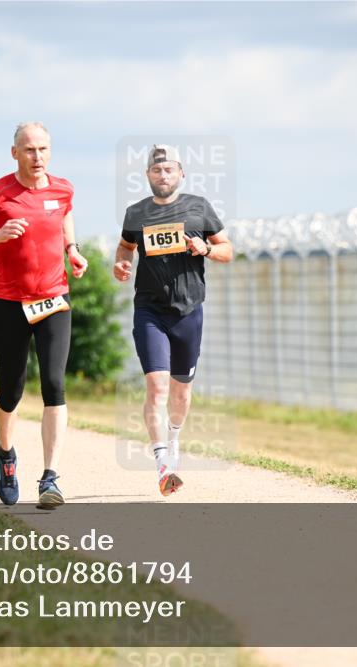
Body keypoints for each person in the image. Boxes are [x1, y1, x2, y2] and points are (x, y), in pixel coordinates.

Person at [0, 122, 88, 509]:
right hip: (9, 303)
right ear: (15, 153)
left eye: (43, 149)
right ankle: (7, 454)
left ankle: (50, 479)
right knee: (11, 391)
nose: (37, 157)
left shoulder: (63, 188)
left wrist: (73, 249)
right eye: (29, 150)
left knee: (54, 383)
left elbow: (64, 215)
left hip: (53, 299)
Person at [113, 145, 233, 496]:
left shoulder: (200, 208)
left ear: (181, 173)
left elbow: (227, 249)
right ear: (148, 175)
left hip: (188, 312)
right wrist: (121, 263)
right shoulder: (136, 213)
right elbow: (125, 247)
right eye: (156, 171)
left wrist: (206, 249)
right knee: (157, 386)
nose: (162, 176)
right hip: (149, 310)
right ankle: (163, 462)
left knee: (181, 392)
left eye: (168, 170)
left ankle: (175, 438)